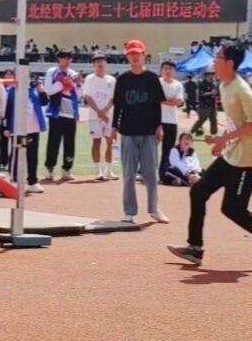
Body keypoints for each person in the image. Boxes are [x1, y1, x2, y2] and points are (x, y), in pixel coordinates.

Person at [168, 43, 252, 270]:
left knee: (233, 209)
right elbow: (235, 121)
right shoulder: (224, 86)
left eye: (218, 57)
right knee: (198, 192)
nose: (214, 61)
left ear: (230, 63)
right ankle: (195, 247)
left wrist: (225, 139)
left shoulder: (242, 90)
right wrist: (222, 142)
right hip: (230, 154)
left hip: (245, 160)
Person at [110, 39, 169, 224]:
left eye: (138, 53)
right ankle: (129, 211)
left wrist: (159, 126)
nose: (135, 57)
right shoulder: (122, 80)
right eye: (131, 54)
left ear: (144, 55)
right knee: (129, 174)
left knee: (151, 174)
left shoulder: (151, 78)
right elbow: (118, 106)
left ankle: (154, 208)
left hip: (149, 131)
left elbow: (157, 105)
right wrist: (114, 127)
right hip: (128, 131)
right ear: (127, 56)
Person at [4, 76, 49, 193]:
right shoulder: (12, 91)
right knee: (18, 154)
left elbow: (45, 102)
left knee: (32, 155)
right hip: (19, 129)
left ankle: (32, 182)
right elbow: (7, 110)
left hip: (32, 129)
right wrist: (6, 127)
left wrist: (41, 90)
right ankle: (14, 180)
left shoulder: (34, 89)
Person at [44, 50, 79, 182]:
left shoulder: (73, 74)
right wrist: (62, 83)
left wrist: (78, 84)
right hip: (56, 113)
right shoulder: (52, 71)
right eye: (64, 58)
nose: (67, 60)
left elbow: (78, 94)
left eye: (69, 58)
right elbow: (49, 90)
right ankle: (49, 168)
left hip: (71, 113)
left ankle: (67, 169)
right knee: (53, 142)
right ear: (58, 59)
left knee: (70, 144)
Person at [82, 53, 117, 181]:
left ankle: (109, 170)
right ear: (94, 65)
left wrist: (105, 110)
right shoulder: (90, 79)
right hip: (94, 115)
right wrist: (98, 111)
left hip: (109, 115)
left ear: (105, 63)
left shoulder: (111, 80)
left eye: (101, 61)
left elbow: (113, 98)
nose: (99, 64)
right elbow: (87, 96)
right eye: (97, 62)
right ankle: (98, 170)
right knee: (96, 141)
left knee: (110, 141)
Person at [159, 61, 184, 182]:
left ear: (174, 71)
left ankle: (164, 175)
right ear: (161, 70)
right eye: (165, 68)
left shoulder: (178, 85)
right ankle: (143, 172)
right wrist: (170, 100)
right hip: (157, 120)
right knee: (150, 148)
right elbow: (155, 99)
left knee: (168, 150)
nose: (167, 71)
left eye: (170, 69)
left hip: (171, 121)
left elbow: (179, 102)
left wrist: (164, 99)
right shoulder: (157, 82)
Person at [191, 70, 218, 136]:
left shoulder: (213, 84)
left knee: (214, 120)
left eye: (212, 75)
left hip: (212, 105)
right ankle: (192, 131)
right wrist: (211, 93)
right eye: (210, 75)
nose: (212, 76)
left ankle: (213, 134)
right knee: (202, 119)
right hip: (204, 106)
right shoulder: (202, 84)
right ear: (206, 76)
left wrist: (215, 94)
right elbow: (201, 94)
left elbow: (215, 92)